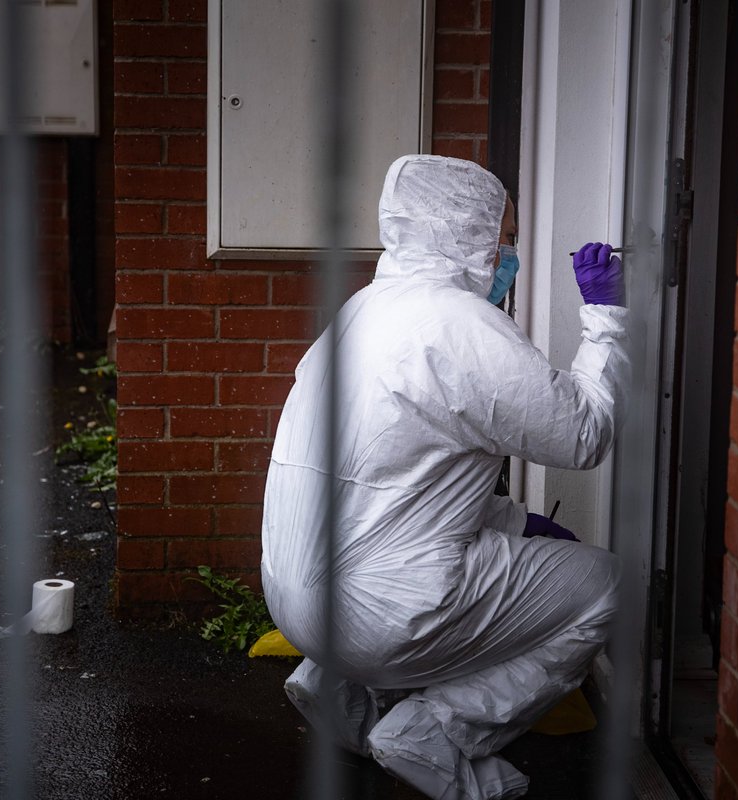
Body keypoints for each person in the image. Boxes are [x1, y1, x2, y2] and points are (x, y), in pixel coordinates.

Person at [260, 154, 629, 799]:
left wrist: (515, 520)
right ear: (469, 235)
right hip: (377, 617)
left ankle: (338, 692)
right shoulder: (460, 326)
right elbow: (583, 435)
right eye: (506, 235)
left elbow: (398, 482)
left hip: (294, 601)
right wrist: (607, 319)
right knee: (608, 587)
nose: (509, 252)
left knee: (403, 561)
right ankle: (439, 730)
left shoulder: (361, 311)